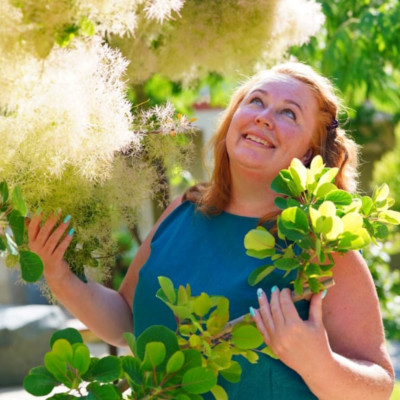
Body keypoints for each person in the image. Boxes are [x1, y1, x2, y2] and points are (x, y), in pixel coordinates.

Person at [28, 62, 395, 399]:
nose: (265, 118)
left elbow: (379, 386)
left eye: (288, 113)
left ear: (309, 151)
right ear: (233, 116)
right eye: (256, 101)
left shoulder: (321, 246)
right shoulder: (182, 212)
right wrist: (60, 276)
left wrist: (318, 363)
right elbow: (126, 319)